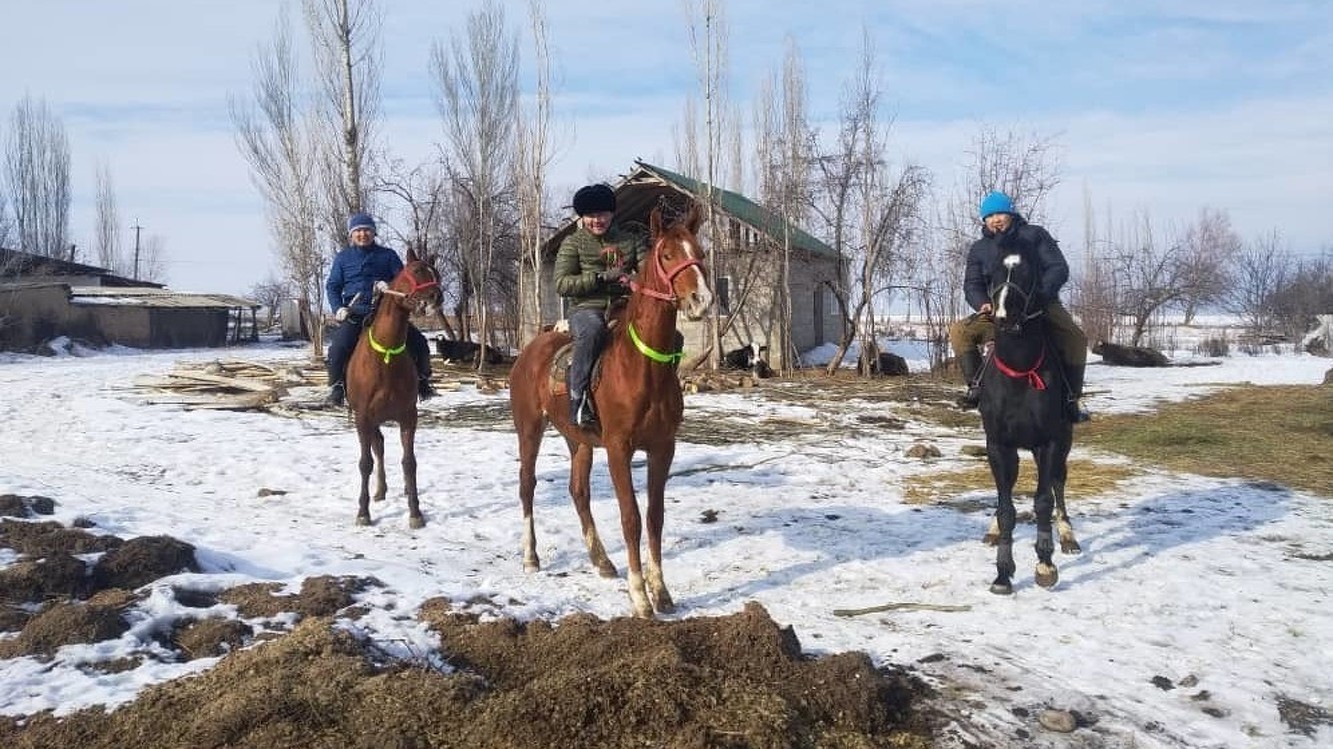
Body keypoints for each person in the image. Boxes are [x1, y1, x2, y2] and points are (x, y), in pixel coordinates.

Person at [949, 191, 1090, 423]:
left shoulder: (1034, 235)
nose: (995, 219)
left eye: (1000, 213)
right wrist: (982, 303)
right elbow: (972, 284)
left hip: (1040, 305)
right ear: (984, 220)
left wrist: (1041, 294)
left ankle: (1070, 398)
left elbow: (1058, 268)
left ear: (1011, 213)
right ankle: (977, 389)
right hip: (998, 309)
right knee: (959, 332)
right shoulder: (979, 249)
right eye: (990, 215)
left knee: (1075, 338)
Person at [553, 183, 647, 428]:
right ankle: (579, 399)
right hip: (586, 308)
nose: (597, 220)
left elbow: (649, 273)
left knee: (672, 337)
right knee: (594, 331)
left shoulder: (631, 240)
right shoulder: (572, 243)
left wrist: (634, 281)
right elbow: (562, 284)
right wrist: (599, 278)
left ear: (612, 213)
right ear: (583, 217)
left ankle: (664, 393)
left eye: (602, 213)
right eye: (591, 215)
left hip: (625, 305)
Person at [323, 212, 435, 407]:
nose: (362, 234)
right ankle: (337, 387)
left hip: (386, 313)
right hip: (355, 313)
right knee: (337, 348)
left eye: (367, 230)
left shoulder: (388, 255)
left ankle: (423, 382)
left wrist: (389, 285)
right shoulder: (343, 258)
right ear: (352, 235)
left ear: (373, 233)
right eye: (358, 231)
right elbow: (332, 286)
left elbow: (404, 282)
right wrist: (338, 307)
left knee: (420, 343)